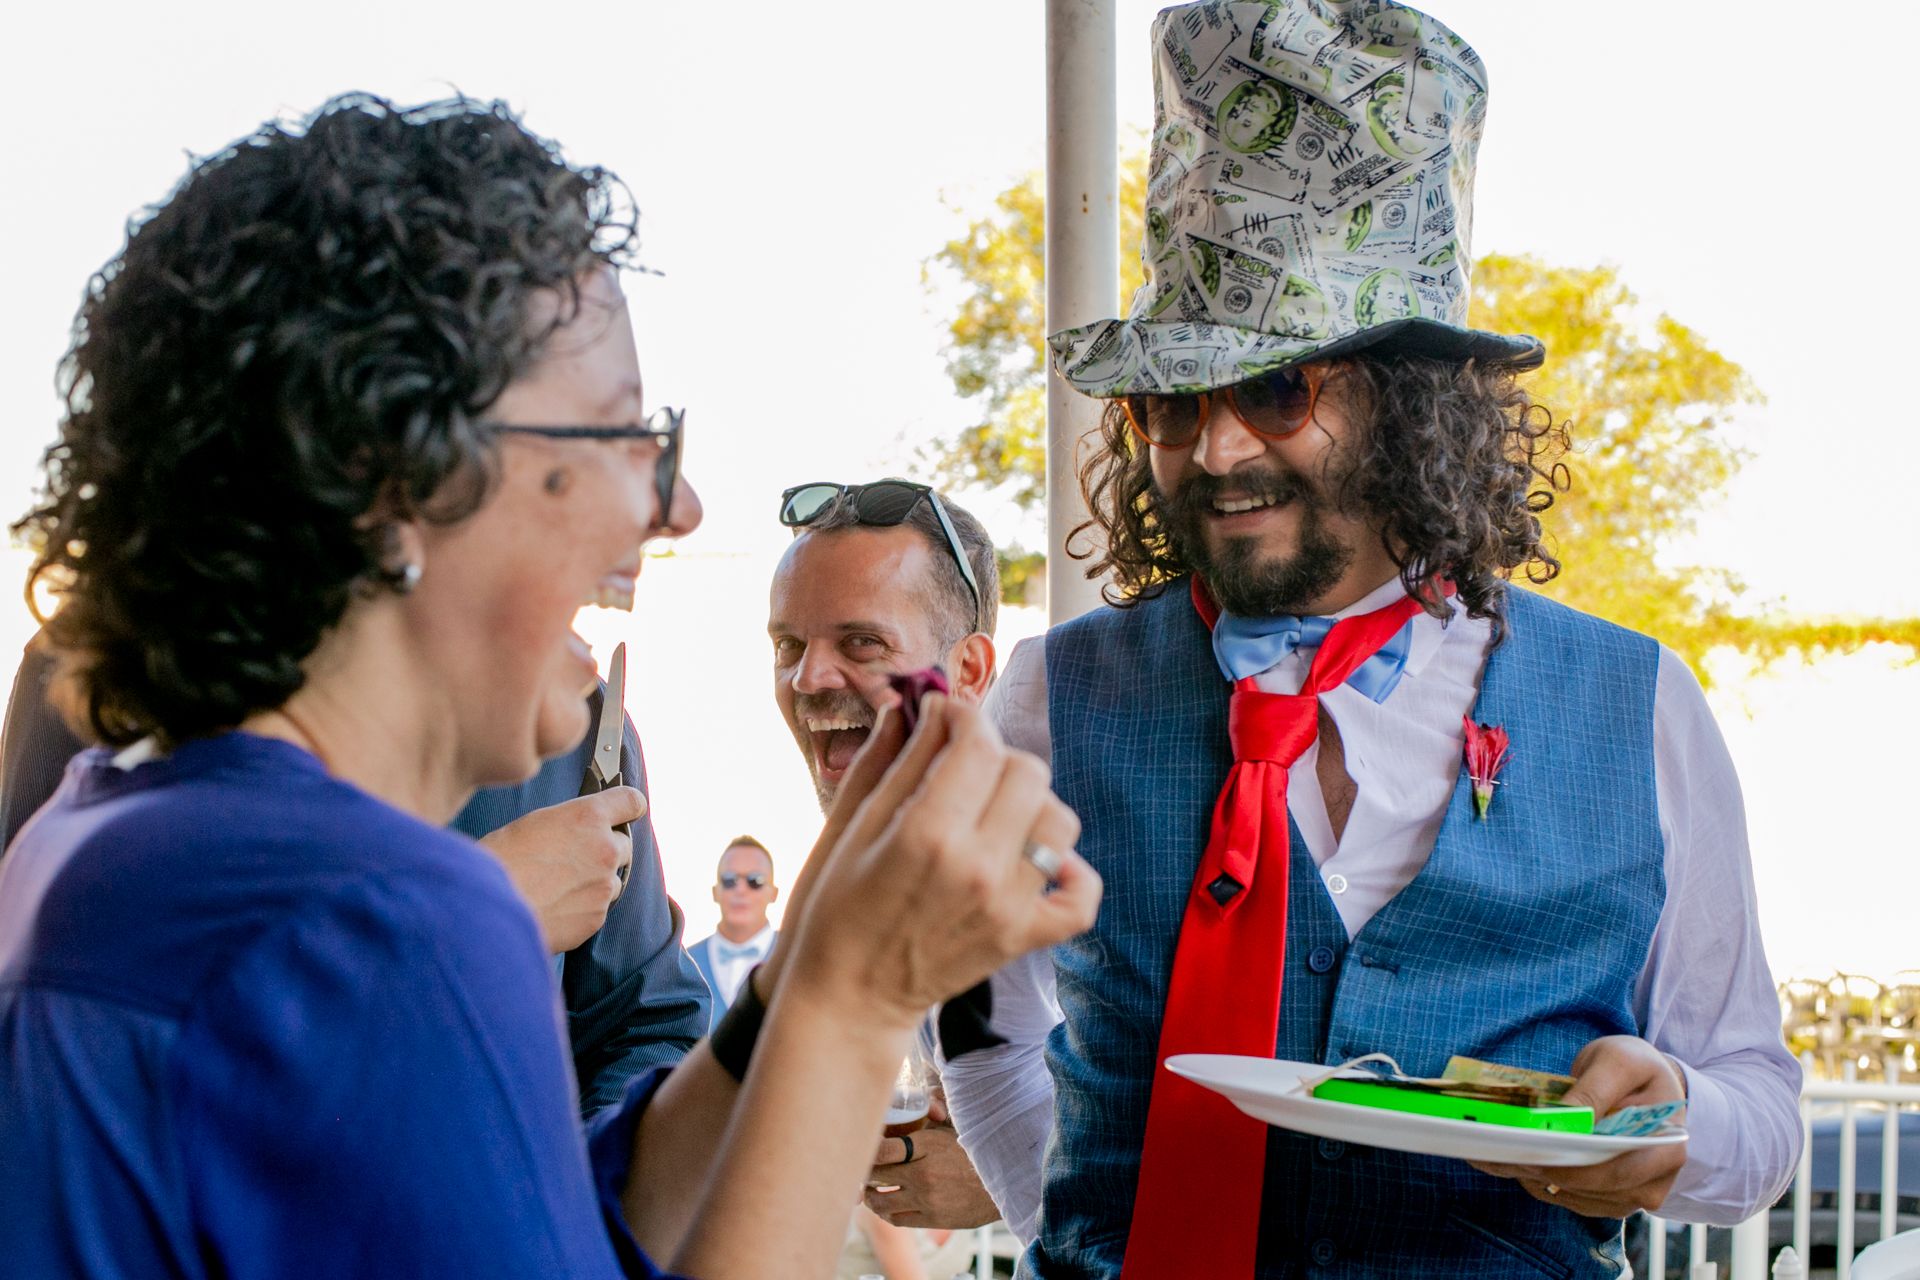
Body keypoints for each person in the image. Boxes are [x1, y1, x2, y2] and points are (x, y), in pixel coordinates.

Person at [0, 93, 1099, 1280]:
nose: (678, 506)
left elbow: (571, 1223)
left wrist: (801, 965)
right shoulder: (371, 919)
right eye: (619, 437)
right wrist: (859, 995)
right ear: (398, 480)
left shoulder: (113, 833)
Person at [946, 4, 1802, 1277]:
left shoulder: (1639, 703)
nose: (1215, 449)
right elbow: (983, 1027)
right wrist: (1074, 1236)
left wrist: (1673, 1122)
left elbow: (1758, 1106)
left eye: (1275, 387)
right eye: (1172, 400)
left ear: (1407, 401)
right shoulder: (1050, 697)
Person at [1, 627, 708, 1120]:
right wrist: (475, 913)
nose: (676, 511)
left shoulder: (585, 723)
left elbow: (650, 1024)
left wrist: (568, 1203)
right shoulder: (93, 665)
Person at [768, 481, 1013, 1275]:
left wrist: (1010, 1162)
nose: (808, 678)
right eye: (788, 645)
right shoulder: (843, 883)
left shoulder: (1065, 862)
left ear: (968, 671)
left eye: (862, 642)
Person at [688, 835, 779, 1023]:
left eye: (755, 881)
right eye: (730, 880)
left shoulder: (798, 955)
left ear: (773, 893)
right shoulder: (684, 963)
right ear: (715, 892)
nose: (741, 890)